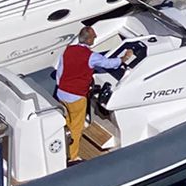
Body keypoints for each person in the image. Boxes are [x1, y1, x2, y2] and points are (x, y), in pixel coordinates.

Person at [54, 25, 130, 162]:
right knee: (76, 127)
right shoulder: (91, 56)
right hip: (76, 97)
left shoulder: (68, 51)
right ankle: (72, 156)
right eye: (94, 37)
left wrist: (62, 87)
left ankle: (60, 149)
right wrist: (124, 58)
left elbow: (60, 72)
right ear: (88, 40)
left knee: (67, 123)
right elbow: (108, 63)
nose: (95, 38)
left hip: (62, 93)